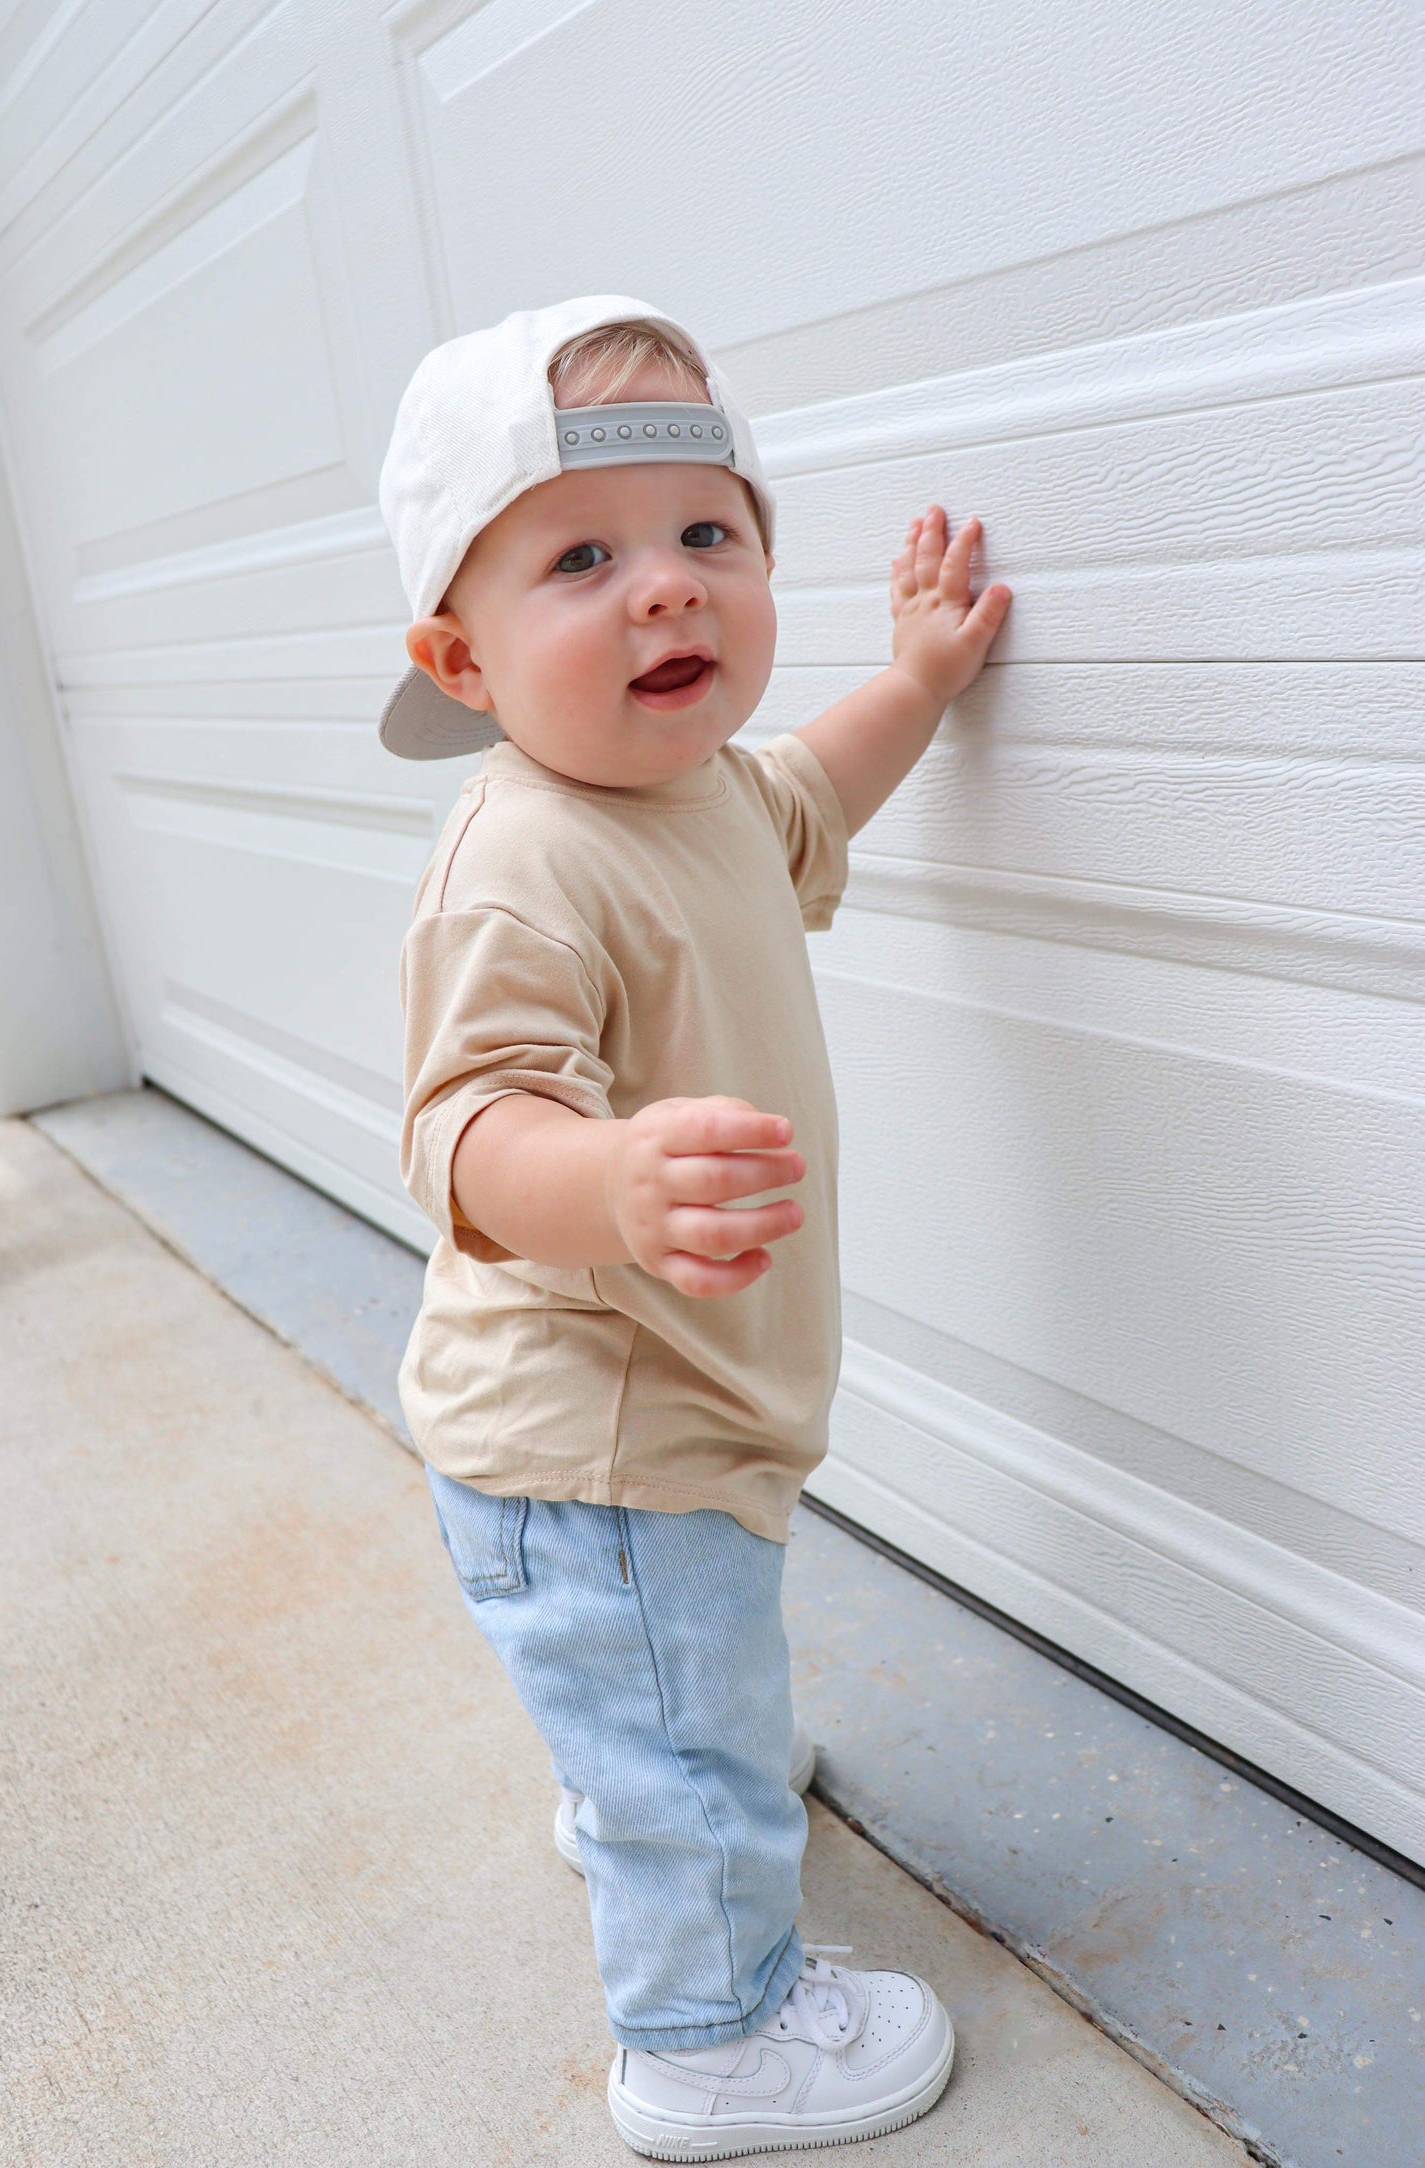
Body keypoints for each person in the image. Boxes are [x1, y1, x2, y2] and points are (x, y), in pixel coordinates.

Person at [380, 294, 1011, 2158]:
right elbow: (465, 1129)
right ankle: (709, 2038)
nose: (666, 590)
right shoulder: (524, 862)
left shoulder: (707, 790)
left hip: (670, 1417)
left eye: (704, 537)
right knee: (683, 1720)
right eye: (583, 557)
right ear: (461, 656)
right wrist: (613, 1180)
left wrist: (916, 680)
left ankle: (641, 1774)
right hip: (600, 1440)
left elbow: (816, 793)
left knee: (676, 1698)